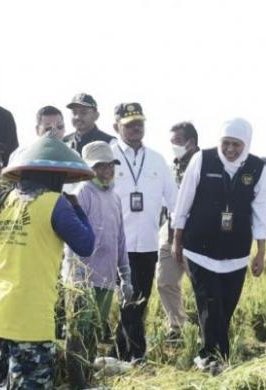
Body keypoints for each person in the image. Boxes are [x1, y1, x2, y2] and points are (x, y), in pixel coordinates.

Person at [0, 136, 95, 389]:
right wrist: (78, 210)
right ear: (55, 177)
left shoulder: (0, 202)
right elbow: (85, 245)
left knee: (4, 385)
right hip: (29, 317)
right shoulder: (55, 203)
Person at [171, 118, 266, 373]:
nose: (229, 150)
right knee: (210, 302)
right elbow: (183, 202)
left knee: (225, 307)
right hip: (198, 248)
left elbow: (262, 212)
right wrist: (177, 240)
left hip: (235, 252)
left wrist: (260, 252)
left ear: (246, 144)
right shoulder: (202, 160)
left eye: (236, 144)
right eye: (225, 143)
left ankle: (212, 357)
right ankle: (214, 358)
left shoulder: (257, 168)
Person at [62, 141, 133, 389]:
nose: (106, 171)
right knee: (78, 333)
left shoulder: (114, 198)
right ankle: (77, 383)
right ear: (90, 169)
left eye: (109, 165)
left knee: (94, 332)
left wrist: (126, 277)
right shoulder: (83, 193)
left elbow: (120, 239)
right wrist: (77, 276)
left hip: (105, 278)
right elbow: (72, 239)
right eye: (100, 166)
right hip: (83, 278)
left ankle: (87, 379)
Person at [110, 102, 177, 362]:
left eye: (139, 123)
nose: (136, 128)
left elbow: (174, 201)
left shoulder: (157, 160)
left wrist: (176, 236)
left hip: (148, 243)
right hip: (118, 244)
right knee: (129, 300)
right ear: (116, 126)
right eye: (129, 124)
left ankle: (118, 353)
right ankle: (138, 354)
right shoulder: (108, 157)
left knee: (141, 299)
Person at [158, 122, 199, 343]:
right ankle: (177, 327)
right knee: (165, 280)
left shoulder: (205, 165)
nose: (172, 146)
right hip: (170, 231)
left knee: (202, 285)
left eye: (176, 142)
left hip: (195, 235)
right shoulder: (173, 165)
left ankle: (207, 328)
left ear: (191, 142)